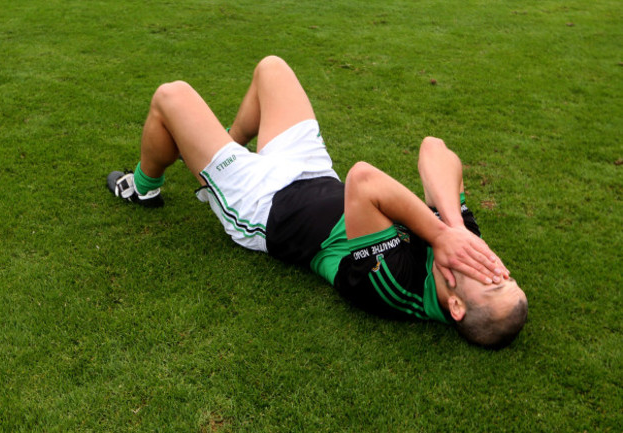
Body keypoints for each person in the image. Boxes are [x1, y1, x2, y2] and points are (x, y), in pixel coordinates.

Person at [106, 56, 527, 348]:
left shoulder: (397, 288)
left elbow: (363, 181)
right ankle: (221, 156)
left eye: (492, 281)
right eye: (506, 274)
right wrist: (453, 227)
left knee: (171, 96)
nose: (493, 264)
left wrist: (439, 233)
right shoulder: (462, 250)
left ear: (455, 306)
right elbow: (435, 150)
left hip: (264, 205)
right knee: (272, 70)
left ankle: (143, 187)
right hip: (313, 173)